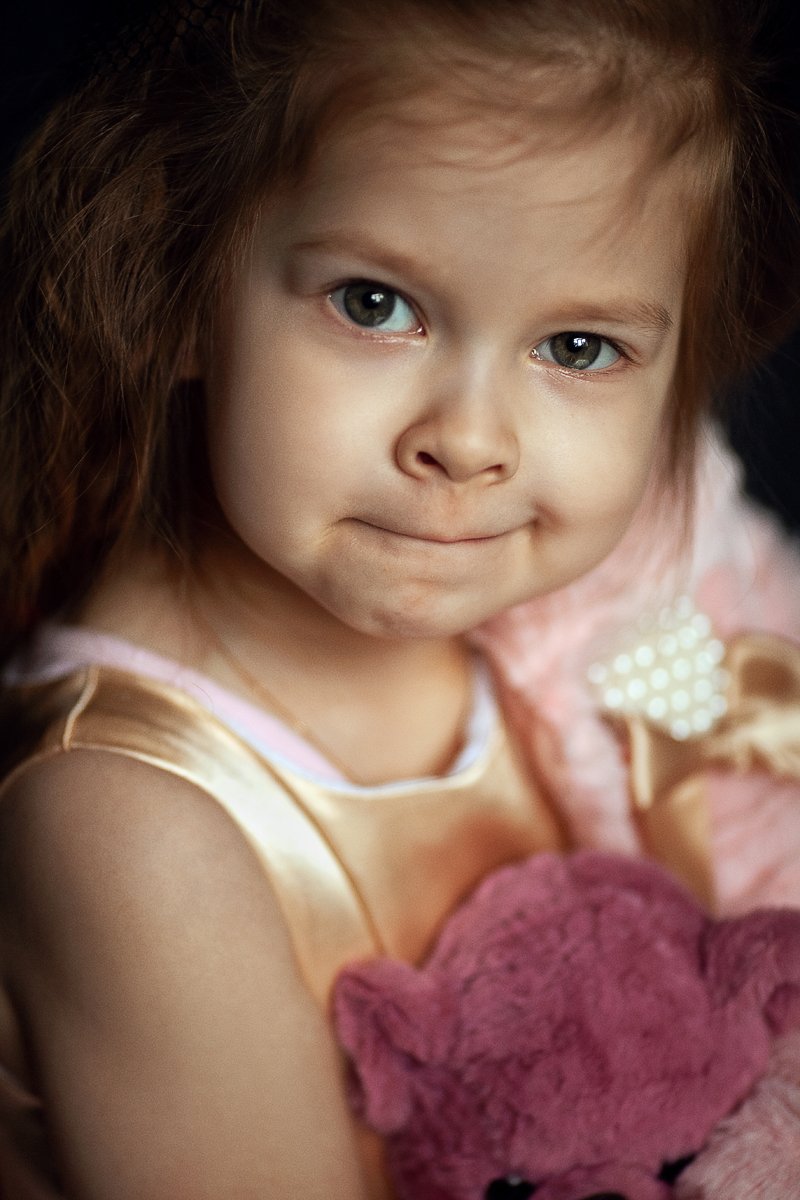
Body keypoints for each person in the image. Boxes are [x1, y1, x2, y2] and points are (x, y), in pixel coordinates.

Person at [0, 0, 798, 1195]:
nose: (468, 442)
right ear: (180, 273)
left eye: (577, 348)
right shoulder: (128, 830)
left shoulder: (594, 639)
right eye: (374, 303)